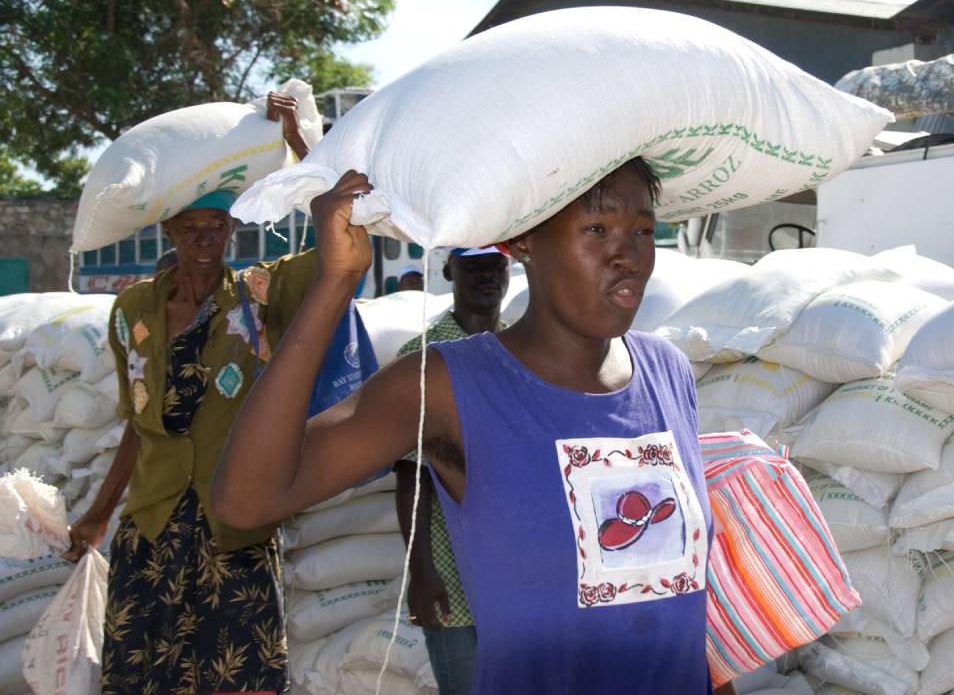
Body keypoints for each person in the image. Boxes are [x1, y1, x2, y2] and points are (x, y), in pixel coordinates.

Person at [213, 158, 715, 694]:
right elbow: (246, 500)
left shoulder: (668, 370)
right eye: (596, 228)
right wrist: (334, 283)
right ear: (521, 241)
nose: (628, 256)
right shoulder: (447, 383)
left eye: (642, 230)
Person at [64, 92, 313, 695]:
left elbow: (343, 239)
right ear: (169, 232)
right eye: (190, 228)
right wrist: (98, 515)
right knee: (143, 675)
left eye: (216, 227)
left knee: (237, 676)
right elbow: (137, 424)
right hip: (153, 524)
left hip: (235, 520)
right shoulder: (134, 310)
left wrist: (300, 140)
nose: (204, 240)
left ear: (231, 230)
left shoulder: (259, 294)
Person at [393, 245, 510, 695]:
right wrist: (421, 572)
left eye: (494, 265)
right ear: (448, 270)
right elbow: (410, 477)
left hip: (518, 569)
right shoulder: (423, 356)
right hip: (451, 570)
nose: (486, 277)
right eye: (473, 266)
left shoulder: (523, 349)